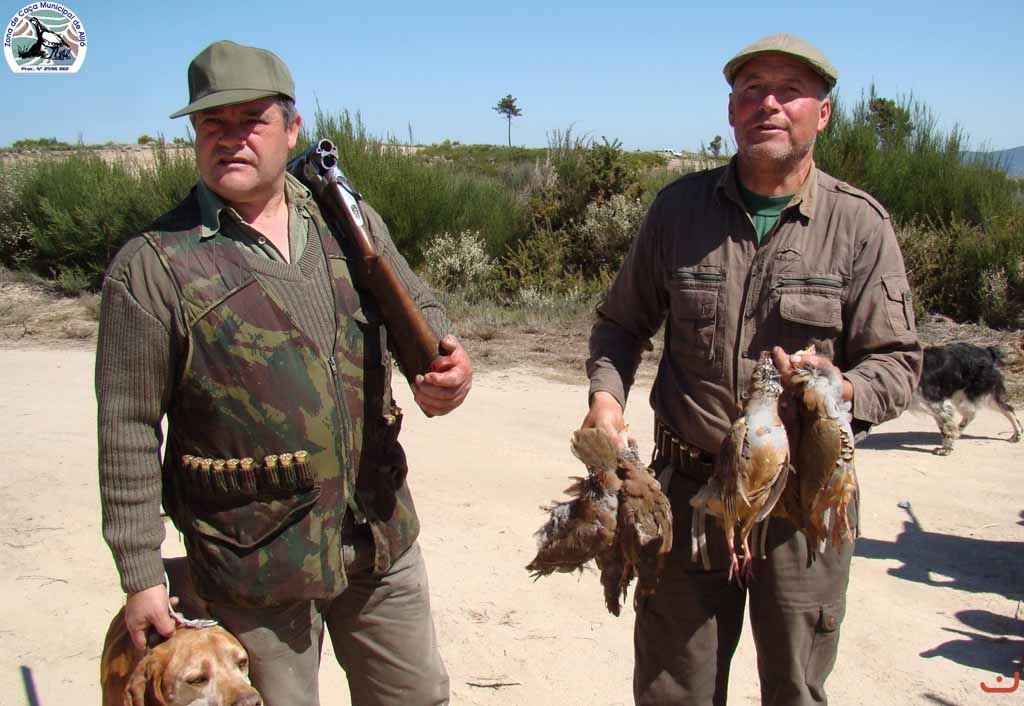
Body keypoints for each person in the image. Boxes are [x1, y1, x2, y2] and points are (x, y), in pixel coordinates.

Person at [96, 40, 471, 706]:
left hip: (378, 535)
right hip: (251, 565)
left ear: (292, 127)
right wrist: (142, 573)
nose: (231, 137)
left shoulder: (347, 222)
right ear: (193, 134)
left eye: (252, 120)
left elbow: (420, 309)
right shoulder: (152, 266)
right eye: (213, 123)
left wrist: (450, 365)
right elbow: (126, 427)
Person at [582, 34, 922, 705]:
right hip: (688, 496)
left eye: (789, 91)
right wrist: (605, 399)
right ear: (731, 110)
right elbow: (620, 325)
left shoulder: (859, 226)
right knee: (673, 691)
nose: (769, 104)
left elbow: (898, 362)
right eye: (751, 91)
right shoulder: (678, 212)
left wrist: (841, 389)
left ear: (823, 113)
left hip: (804, 501)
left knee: (795, 688)